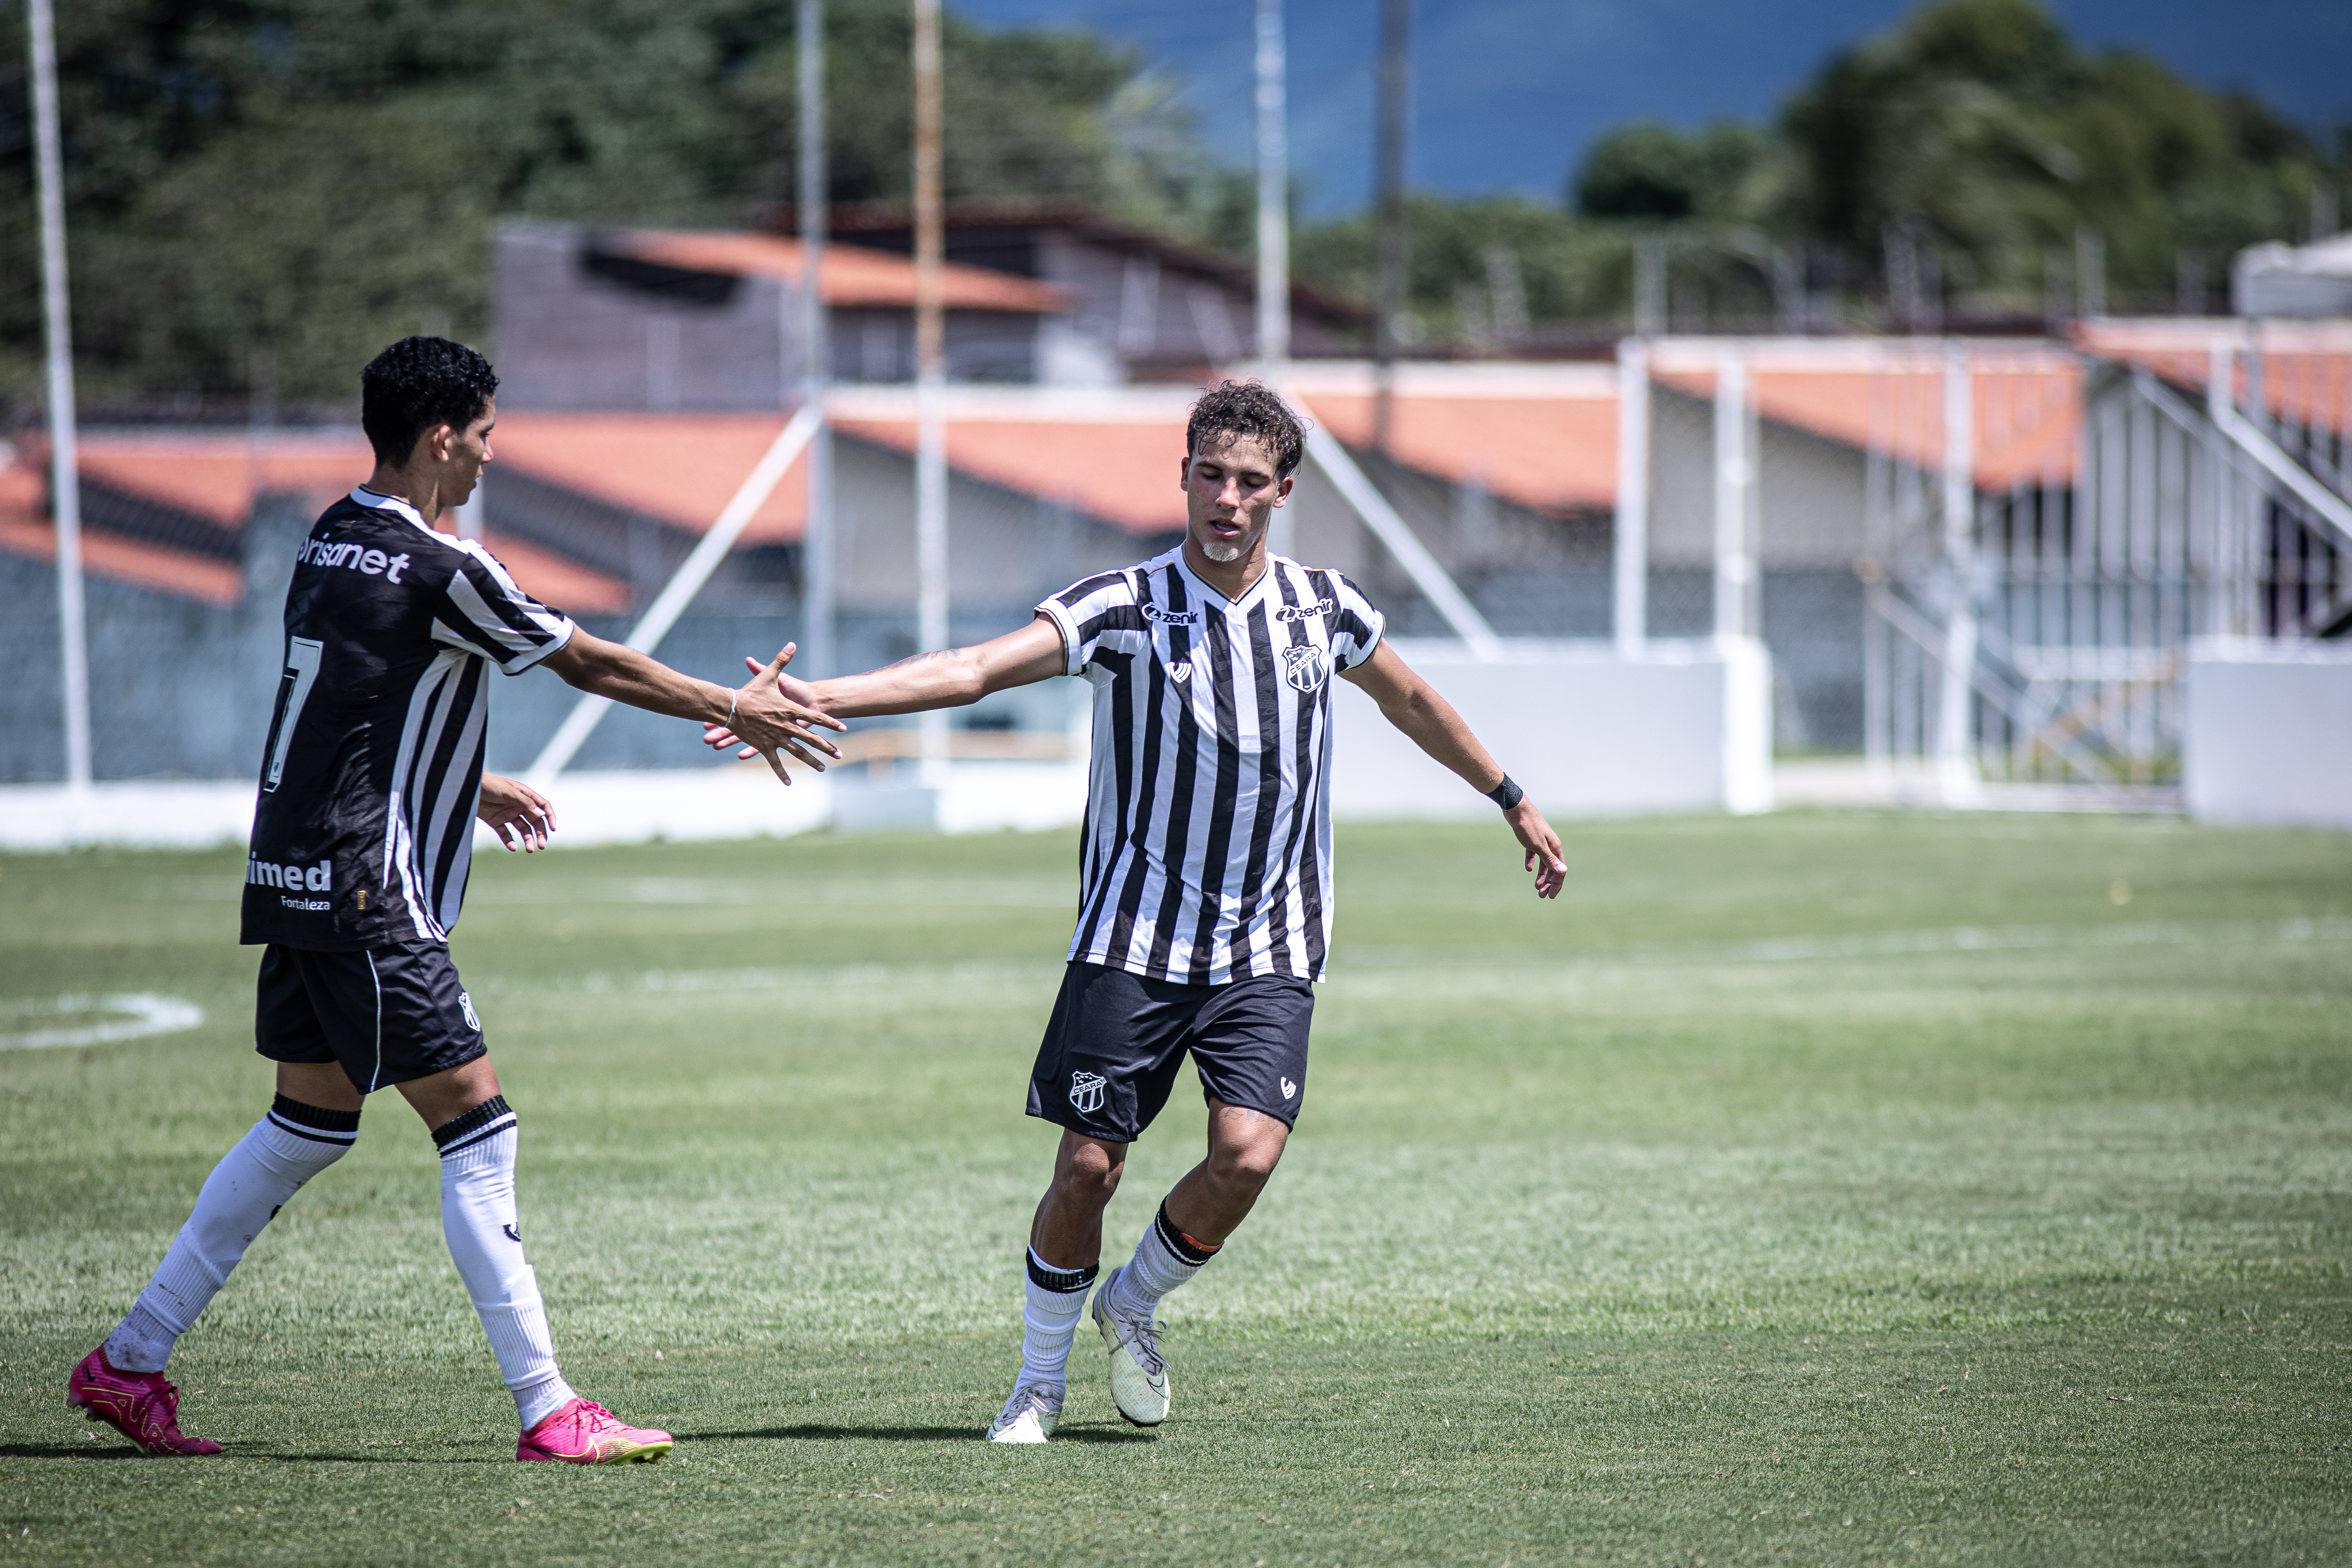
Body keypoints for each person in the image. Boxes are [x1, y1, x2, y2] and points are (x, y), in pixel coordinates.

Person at [705, 380, 1566, 1442]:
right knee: (1086, 1169)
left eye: (1253, 482)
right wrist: (821, 697)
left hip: (1269, 941)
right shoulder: (1124, 603)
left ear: (1283, 493)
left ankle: (1135, 1300)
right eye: (1212, 475)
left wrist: (1510, 796)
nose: (1229, 498)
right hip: (1135, 935)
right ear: (1185, 478)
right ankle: (1036, 1383)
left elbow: (1412, 701)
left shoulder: (1323, 607)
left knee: (1248, 1154)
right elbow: (974, 669)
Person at [67, 336, 844, 1464]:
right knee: (478, 1127)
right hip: (369, 893)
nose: (487, 455)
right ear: (440, 436)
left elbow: (346, 698)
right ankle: (548, 1408)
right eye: (481, 435)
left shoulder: (331, 536)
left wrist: (458, 782)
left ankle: (128, 1363)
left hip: (292, 874)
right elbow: (593, 664)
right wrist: (742, 705)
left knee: (306, 1127)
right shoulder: (447, 564)